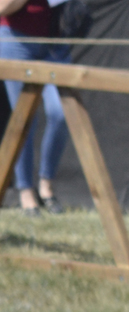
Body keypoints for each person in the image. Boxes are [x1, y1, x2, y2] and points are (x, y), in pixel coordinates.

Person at [0, 0, 69, 216]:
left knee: (62, 112)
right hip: (16, 40)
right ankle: (25, 191)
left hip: (55, 44)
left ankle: (46, 185)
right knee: (26, 118)